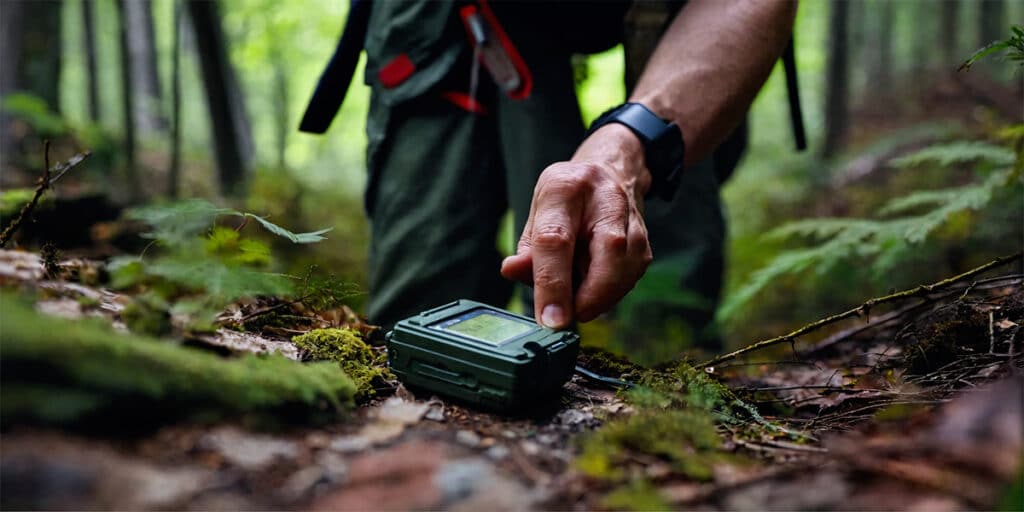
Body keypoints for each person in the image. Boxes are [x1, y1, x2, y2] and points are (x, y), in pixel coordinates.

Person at [352, 0, 796, 348]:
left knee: (667, 308)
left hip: (674, 14)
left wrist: (633, 147)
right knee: (415, 319)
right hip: (450, 25)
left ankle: (661, 409)